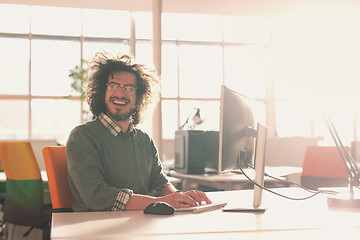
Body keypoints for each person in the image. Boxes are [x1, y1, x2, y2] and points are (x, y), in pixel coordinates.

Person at [66, 52, 212, 211]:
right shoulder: (82, 137)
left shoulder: (145, 140)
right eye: (114, 86)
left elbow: (160, 183)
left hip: (139, 224)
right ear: (103, 92)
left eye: (129, 88)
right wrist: (164, 201)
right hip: (95, 229)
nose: (121, 93)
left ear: (139, 97)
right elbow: (97, 196)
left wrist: (180, 198)